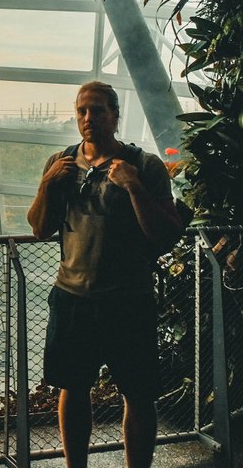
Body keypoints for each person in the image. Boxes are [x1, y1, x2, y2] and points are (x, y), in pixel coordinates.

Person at [27, 81, 184, 468]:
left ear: (115, 116)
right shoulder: (59, 163)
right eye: (82, 110)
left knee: (137, 393)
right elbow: (39, 228)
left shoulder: (143, 166)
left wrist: (133, 188)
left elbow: (164, 236)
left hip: (128, 299)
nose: (88, 118)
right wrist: (48, 185)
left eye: (97, 110)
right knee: (72, 388)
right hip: (72, 296)